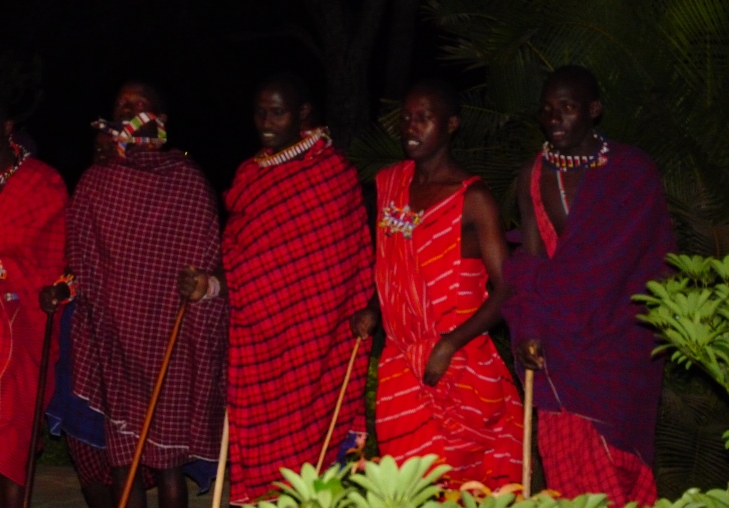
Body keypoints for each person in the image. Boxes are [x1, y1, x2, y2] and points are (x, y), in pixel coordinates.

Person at [179, 72, 374, 504]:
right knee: (263, 455)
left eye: (277, 112)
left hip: (315, 343)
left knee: (316, 454)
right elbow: (239, 261)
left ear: (303, 113)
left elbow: (348, 265)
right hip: (258, 346)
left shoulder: (332, 175)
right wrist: (209, 286)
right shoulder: (250, 177)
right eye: (260, 112)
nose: (266, 121)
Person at [41, 82, 227, 508]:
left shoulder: (185, 180)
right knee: (123, 457)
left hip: (170, 344)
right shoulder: (97, 181)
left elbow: (208, 264)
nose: (127, 109)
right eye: (121, 104)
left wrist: (199, 288)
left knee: (168, 465)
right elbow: (81, 262)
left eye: (138, 104)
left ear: (160, 120)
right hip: (116, 343)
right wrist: (62, 289)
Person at [502, 65, 675, 506]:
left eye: (567, 107)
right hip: (559, 341)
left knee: (621, 468)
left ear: (593, 110)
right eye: (547, 109)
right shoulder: (533, 174)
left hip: (622, 345)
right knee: (571, 471)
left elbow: (657, 262)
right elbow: (532, 260)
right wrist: (528, 329)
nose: (554, 118)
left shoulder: (633, 171)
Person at [351, 80, 524, 489]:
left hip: (458, 363)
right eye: (407, 118)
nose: (411, 127)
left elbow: (508, 289)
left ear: (451, 125)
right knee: (406, 486)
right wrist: (374, 308)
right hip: (400, 361)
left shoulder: (473, 198)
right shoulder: (391, 185)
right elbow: (393, 267)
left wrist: (448, 344)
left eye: (424, 118)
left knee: (459, 485)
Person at [0, 99, 67, 507]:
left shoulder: (43, 183)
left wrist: (5, 269)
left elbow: (54, 266)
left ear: (7, 126)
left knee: (12, 443)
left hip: (22, 327)